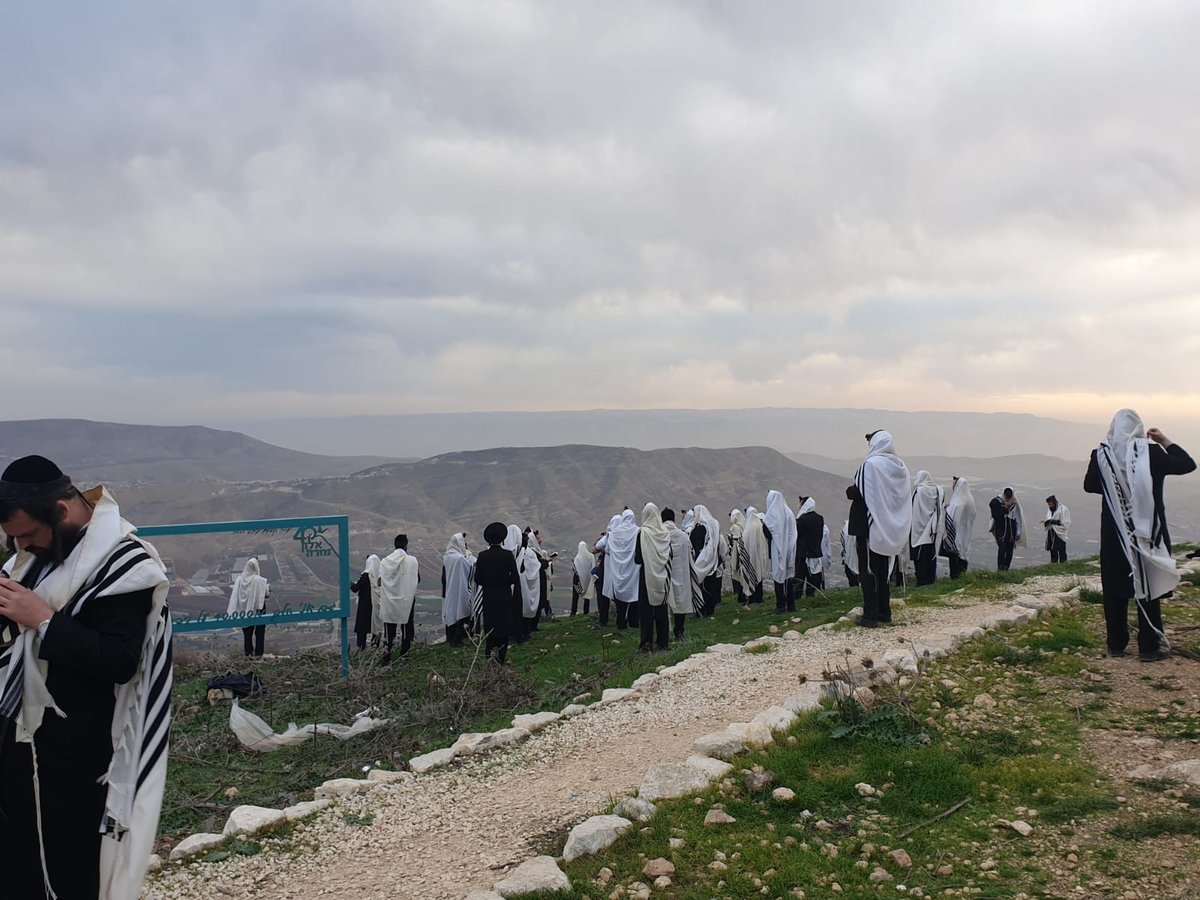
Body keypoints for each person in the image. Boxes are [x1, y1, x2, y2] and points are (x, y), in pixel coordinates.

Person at [0, 455, 172, 900]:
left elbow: (119, 660)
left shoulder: (123, 564)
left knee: (71, 871)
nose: (21, 549)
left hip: (80, 757)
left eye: (28, 536)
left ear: (60, 511)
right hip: (22, 748)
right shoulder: (41, 551)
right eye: (13, 539)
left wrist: (44, 620)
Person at [1084, 410, 1196, 661]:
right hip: (1148, 533)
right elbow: (1187, 464)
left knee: (1113, 587)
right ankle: (1149, 645)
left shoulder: (1102, 456)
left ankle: (1115, 643)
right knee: (1148, 584)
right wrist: (1164, 441)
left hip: (1115, 534)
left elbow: (1089, 485)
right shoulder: (1152, 454)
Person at [848, 431, 912, 627]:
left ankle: (870, 615)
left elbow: (857, 492)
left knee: (868, 571)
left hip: (869, 527)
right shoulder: (899, 466)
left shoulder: (871, 465)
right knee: (882, 571)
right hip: (888, 526)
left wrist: (850, 491)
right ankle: (884, 611)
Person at [474, 523, 521, 663]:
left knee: (490, 627)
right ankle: (501, 657)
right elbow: (515, 577)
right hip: (504, 596)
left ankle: (488, 657)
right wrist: (504, 582)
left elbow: (477, 578)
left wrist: (489, 583)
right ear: (502, 539)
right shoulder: (507, 555)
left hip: (488, 596)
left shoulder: (482, 555)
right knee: (503, 627)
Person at [633, 503, 671, 652]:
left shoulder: (643, 533)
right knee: (661, 606)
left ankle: (646, 643)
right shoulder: (665, 533)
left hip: (647, 575)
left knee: (646, 610)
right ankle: (663, 642)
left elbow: (638, 559)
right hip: (663, 575)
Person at [378, 534, 419, 663]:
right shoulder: (412, 560)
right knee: (406, 625)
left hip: (389, 600)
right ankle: (404, 654)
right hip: (406, 599)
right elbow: (417, 578)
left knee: (389, 628)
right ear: (406, 545)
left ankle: (387, 655)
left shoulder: (385, 561)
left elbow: (380, 581)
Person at [662, 508, 698, 639]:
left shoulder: (660, 535)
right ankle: (679, 631)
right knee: (680, 603)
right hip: (681, 576)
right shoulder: (683, 536)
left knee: (665, 605)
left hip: (665, 576)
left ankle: (665, 633)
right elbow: (691, 554)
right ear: (674, 519)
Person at [603, 509, 640, 629]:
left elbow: (607, 550)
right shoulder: (638, 531)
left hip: (618, 570)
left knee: (620, 598)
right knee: (634, 596)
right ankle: (633, 622)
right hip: (634, 569)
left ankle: (621, 623)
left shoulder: (614, 533)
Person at [228, 557, 271, 656]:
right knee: (260, 632)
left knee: (247, 633)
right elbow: (266, 594)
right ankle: (259, 654)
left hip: (244, 610)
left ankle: (248, 653)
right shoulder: (259, 580)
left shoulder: (239, 580)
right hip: (259, 608)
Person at [909, 471, 945, 586]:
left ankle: (921, 580)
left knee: (919, 556)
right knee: (930, 554)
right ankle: (930, 579)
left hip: (918, 527)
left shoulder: (919, 491)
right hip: (931, 528)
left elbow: (914, 508)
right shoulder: (937, 490)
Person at [764, 490, 797, 613]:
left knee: (778, 577)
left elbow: (767, 532)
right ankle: (791, 605)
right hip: (789, 549)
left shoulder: (771, 515)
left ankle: (781, 605)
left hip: (777, 549)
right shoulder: (789, 513)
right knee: (788, 577)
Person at [441, 533, 474, 647]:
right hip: (461, 588)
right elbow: (469, 571)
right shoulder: (460, 558)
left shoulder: (447, 556)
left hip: (449, 590)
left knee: (451, 612)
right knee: (462, 611)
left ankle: (450, 637)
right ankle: (457, 639)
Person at [689, 505, 723, 616]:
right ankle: (710, 609)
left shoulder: (698, 529)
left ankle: (701, 610)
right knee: (710, 586)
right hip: (712, 562)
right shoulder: (711, 528)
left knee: (701, 587)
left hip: (699, 562)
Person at [941, 476, 976, 579]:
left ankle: (955, 577)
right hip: (966, 532)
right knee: (964, 553)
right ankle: (963, 576)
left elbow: (952, 516)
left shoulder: (958, 500)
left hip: (956, 533)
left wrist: (947, 509)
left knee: (955, 555)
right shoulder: (970, 499)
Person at [794, 496, 826, 597]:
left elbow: (797, 534)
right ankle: (811, 595)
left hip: (803, 552)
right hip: (815, 551)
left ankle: (797, 595)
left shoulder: (802, 519)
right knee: (813, 576)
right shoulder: (820, 518)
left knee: (799, 576)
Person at [988, 486, 1025, 571]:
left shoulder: (1015, 503)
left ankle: (1006, 567)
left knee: (1010, 548)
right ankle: (1000, 568)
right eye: (1006, 498)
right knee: (1002, 546)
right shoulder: (996, 502)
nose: (1008, 500)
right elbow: (995, 515)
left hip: (1011, 529)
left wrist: (1018, 531)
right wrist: (1005, 509)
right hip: (1000, 528)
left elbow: (1018, 517)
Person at [502, 525, 528, 643]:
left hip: (505, 586)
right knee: (517, 610)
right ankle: (518, 634)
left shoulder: (504, 551)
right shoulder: (520, 551)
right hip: (517, 585)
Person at [351, 554, 381, 650]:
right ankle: (375, 646)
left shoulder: (366, 576)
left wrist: (349, 583)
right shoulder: (380, 576)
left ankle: (361, 647)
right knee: (375, 626)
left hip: (365, 606)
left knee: (362, 628)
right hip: (375, 605)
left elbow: (355, 588)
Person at [741, 506, 770, 604]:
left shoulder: (748, 528)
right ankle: (759, 597)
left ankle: (751, 597)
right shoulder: (760, 525)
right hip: (760, 556)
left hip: (750, 557)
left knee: (751, 575)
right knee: (759, 575)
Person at [728, 509, 747, 604]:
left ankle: (741, 596)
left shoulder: (734, 527)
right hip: (743, 553)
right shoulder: (743, 526)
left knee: (737, 573)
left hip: (736, 553)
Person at [1043, 496, 1070, 563]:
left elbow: (1066, 522)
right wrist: (1049, 521)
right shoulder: (1050, 510)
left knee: (1061, 548)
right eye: (1049, 504)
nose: (1050, 506)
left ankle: (1063, 562)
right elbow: (1048, 518)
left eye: (1051, 504)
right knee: (1052, 548)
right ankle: (1054, 562)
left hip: (1060, 532)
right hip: (1051, 531)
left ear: (1054, 503)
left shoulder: (1063, 510)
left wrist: (1056, 522)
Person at [572, 540, 596, 615]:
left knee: (575, 596)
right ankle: (586, 612)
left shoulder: (577, 558)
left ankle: (573, 612)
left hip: (577, 579)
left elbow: (574, 569)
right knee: (587, 595)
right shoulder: (591, 556)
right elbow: (593, 567)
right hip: (588, 579)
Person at [840, 519, 860, 587]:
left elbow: (843, 544)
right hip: (864, 561)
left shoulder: (846, 527)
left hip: (850, 560)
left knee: (853, 582)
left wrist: (844, 557)